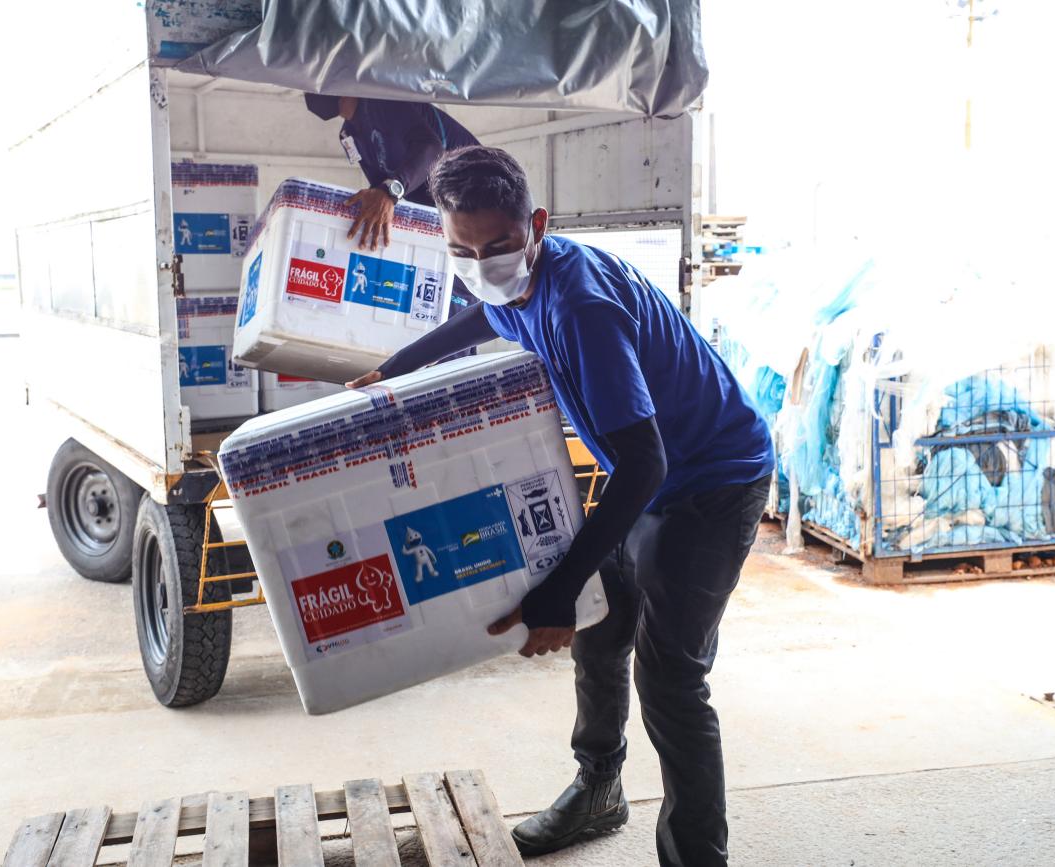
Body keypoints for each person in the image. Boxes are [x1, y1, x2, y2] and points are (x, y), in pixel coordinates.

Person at [347, 146, 774, 867]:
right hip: (652, 476)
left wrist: (559, 587)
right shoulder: (517, 284)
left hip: (713, 480)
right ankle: (598, 788)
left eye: (497, 247)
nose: (482, 265)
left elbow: (645, 463)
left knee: (670, 677)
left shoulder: (581, 308)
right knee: (601, 632)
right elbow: (481, 317)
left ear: (537, 225)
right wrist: (391, 372)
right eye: (462, 251)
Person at [305, 93, 481, 320]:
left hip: (474, 202)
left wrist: (391, 191)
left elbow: (431, 148)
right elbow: (379, 187)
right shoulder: (348, 135)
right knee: (435, 307)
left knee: (455, 303)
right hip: (442, 221)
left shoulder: (383, 100)